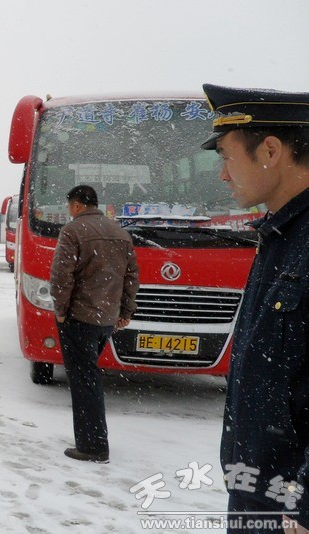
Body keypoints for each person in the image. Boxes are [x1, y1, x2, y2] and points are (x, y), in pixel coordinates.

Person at [200, 84, 309, 534]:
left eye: (226, 156)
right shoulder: (281, 237)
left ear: (269, 150)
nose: (223, 176)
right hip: (260, 492)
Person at [49, 184, 138, 463]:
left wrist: (61, 311)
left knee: (84, 381)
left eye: (69, 207)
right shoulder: (121, 234)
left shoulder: (73, 231)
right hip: (105, 320)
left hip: (79, 317)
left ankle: (93, 445)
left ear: (75, 206)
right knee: (89, 376)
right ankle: (92, 438)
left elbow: (61, 277)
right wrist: (125, 311)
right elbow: (131, 277)